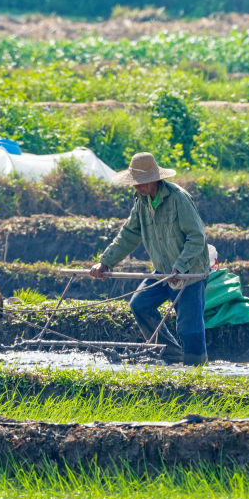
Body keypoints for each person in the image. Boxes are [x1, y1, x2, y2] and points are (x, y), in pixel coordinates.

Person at [90, 152, 210, 366]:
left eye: (142, 182)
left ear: (155, 179)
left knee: (189, 327)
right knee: (140, 304)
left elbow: (196, 237)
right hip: (163, 270)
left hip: (189, 271)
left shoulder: (178, 199)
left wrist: (180, 266)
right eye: (135, 183)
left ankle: (197, 369)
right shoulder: (141, 201)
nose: (137, 187)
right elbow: (128, 234)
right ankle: (172, 354)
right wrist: (105, 261)